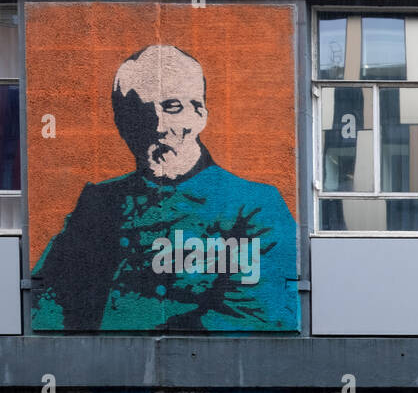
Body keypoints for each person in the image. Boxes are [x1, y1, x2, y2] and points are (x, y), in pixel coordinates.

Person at [30, 44, 299, 332]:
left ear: (199, 115)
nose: (158, 127)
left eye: (171, 107)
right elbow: (49, 298)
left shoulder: (256, 205)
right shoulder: (99, 200)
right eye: (139, 111)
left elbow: (256, 315)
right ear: (120, 123)